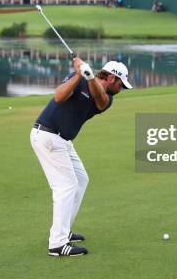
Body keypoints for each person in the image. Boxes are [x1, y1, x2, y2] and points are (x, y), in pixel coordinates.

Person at [30, 58, 132, 257]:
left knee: (81, 180)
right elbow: (58, 97)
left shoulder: (107, 98)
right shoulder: (78, 79)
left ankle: (64, 230)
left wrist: (90, 77)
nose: (122, 88)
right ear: (112, 78)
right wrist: (78, 74)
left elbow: (100, 101)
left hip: (64, 141)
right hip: (48, 136)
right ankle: (57, 244)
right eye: (121, 84)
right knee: (66, 186)